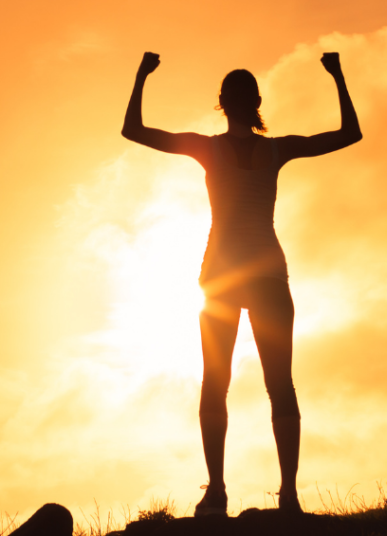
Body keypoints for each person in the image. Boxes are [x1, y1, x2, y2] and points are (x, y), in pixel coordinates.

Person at [121, 50, 361, 516]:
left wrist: (141, 76)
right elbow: (350, 133)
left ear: (223, 104)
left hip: (223, 276)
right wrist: (337, 75)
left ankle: (217, 492)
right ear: (255, 103)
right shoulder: (276, 148)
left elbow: (134, 129)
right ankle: (287, 496)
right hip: (268, 275)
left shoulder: (206, 147)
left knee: (216, 383)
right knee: (281, 386)